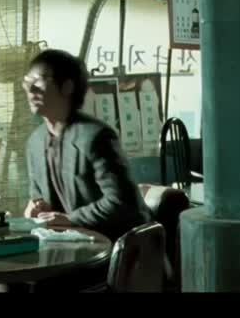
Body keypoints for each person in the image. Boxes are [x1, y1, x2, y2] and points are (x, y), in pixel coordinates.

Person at [22, 49, 151, 243]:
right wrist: (35, 210)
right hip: (72, 243)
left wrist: (71, 219)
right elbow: (39, 199)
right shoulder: (35, 142)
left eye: (39, 81)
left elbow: (122, 203)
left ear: (67, 87)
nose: (31, 90)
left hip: (122, 245)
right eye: (27, 81)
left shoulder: (96, 137)